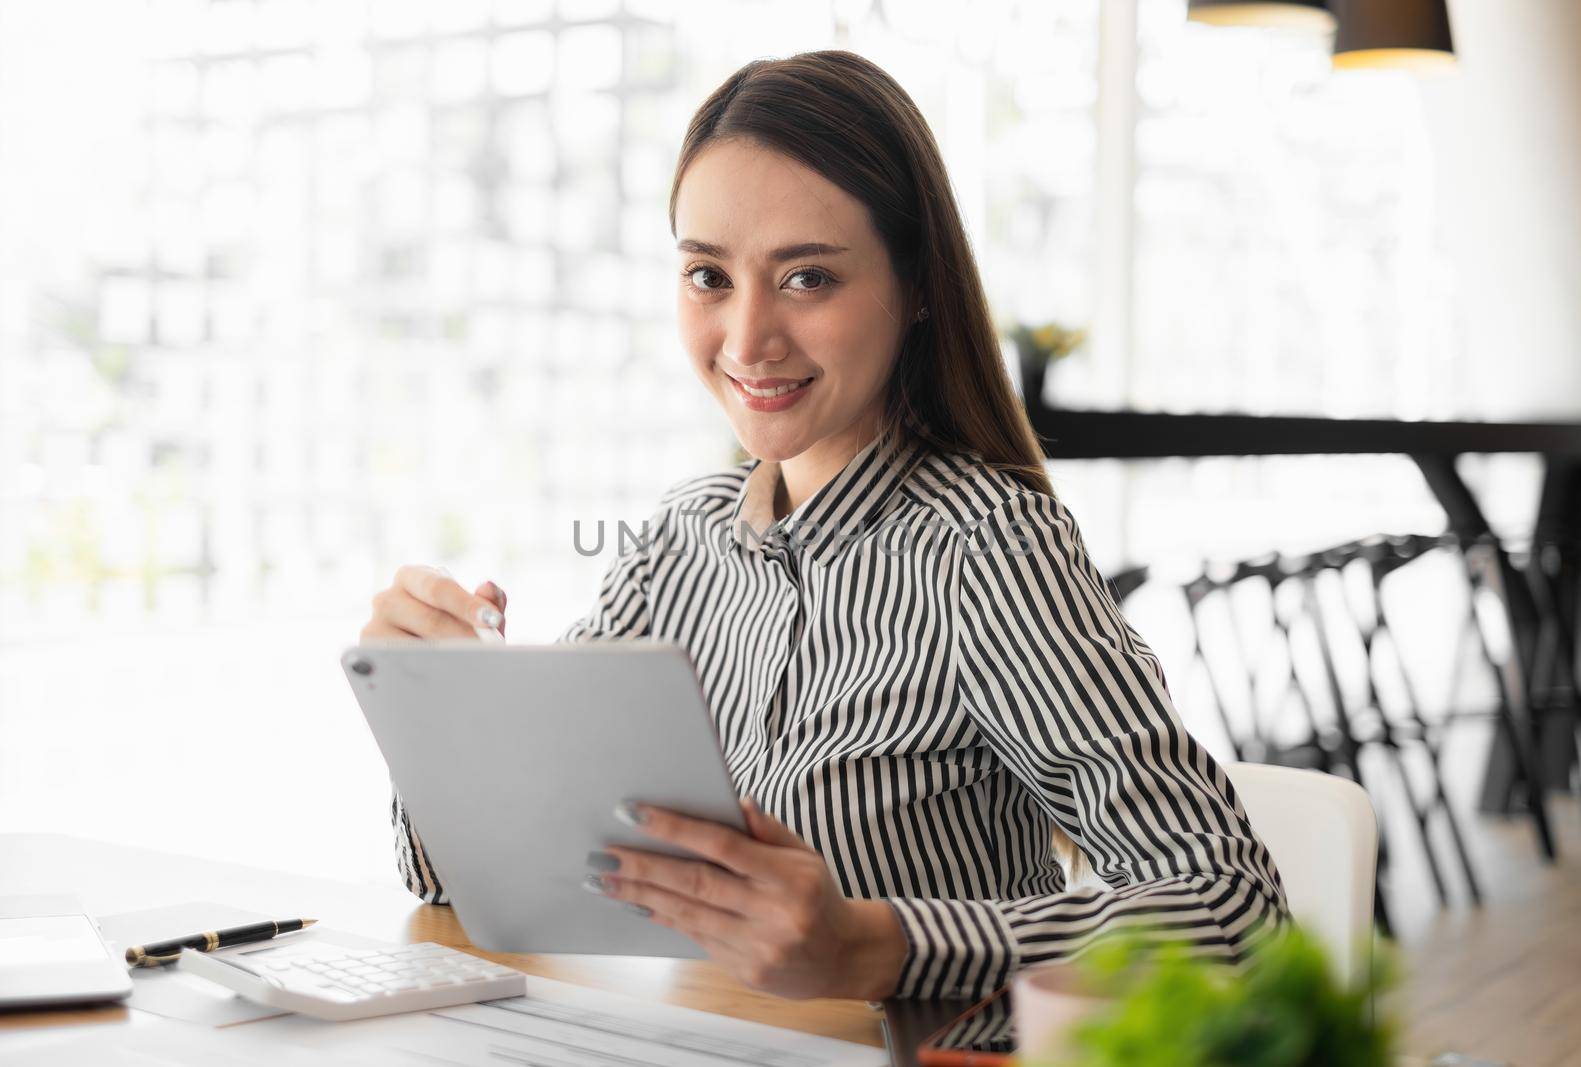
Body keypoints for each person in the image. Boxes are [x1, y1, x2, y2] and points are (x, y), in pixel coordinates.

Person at [359, 49, 1287, 1004]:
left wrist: (874, 944)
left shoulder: (986, 549)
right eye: (709, 277)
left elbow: (1237, 909)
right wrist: (447, 712)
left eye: (806, 278)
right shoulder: (681, 540)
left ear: (917, 285)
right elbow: (477, 881)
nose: (748, 338)